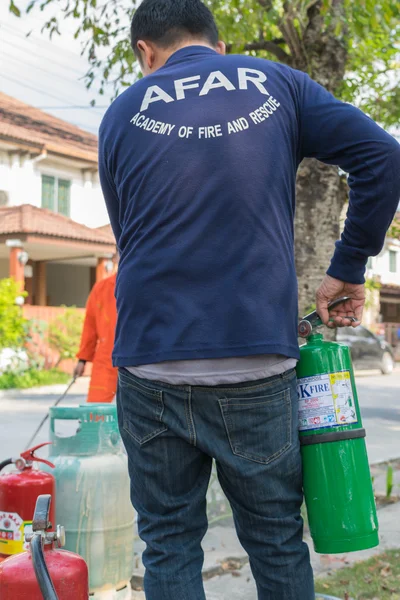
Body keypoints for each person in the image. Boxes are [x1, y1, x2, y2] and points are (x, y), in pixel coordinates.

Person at [98, 1, 400, 598]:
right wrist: (348, 266)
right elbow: (383, 157)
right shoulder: (275, 82)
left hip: (151, 357)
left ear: (145, 52)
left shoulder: (122, 112)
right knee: (275, 538)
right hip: (256, 359)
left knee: (168, 542)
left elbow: (128, 236)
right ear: (217, 42)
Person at [74, 272, 118, 403]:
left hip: (138, 361)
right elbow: (90, 326)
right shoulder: (102, 288)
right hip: (106, 360)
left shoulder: (145, 283)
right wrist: (82, 359)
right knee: (95, 412)